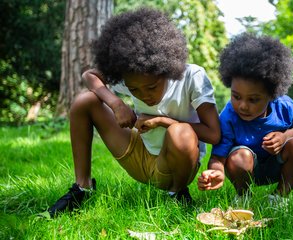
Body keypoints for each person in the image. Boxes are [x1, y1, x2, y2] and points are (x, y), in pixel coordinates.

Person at [47, 7, 221, 218]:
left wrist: (162, 121)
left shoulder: (192, 77)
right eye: (134, 90)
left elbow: (213, 134)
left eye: (151, 87)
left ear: (166, 69)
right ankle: (82, 188)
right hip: (138, 154)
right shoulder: (131, 73)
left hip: (176, 165)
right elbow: (89, 75)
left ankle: (177, 194)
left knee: (181, 132)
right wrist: (116, 103)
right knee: (85, 101)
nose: (144, 95)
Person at [197, 33, 293, 204]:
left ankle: (279, 198)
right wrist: (216, 172)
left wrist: (284, 137)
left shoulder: (285, 106)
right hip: (242, 170)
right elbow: (218, 158)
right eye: (236, 96)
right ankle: (244, 197)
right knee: (239, 156)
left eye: (253, 99)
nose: (243, 105)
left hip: (276, 166)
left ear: (272, 95)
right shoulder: (228, 117)